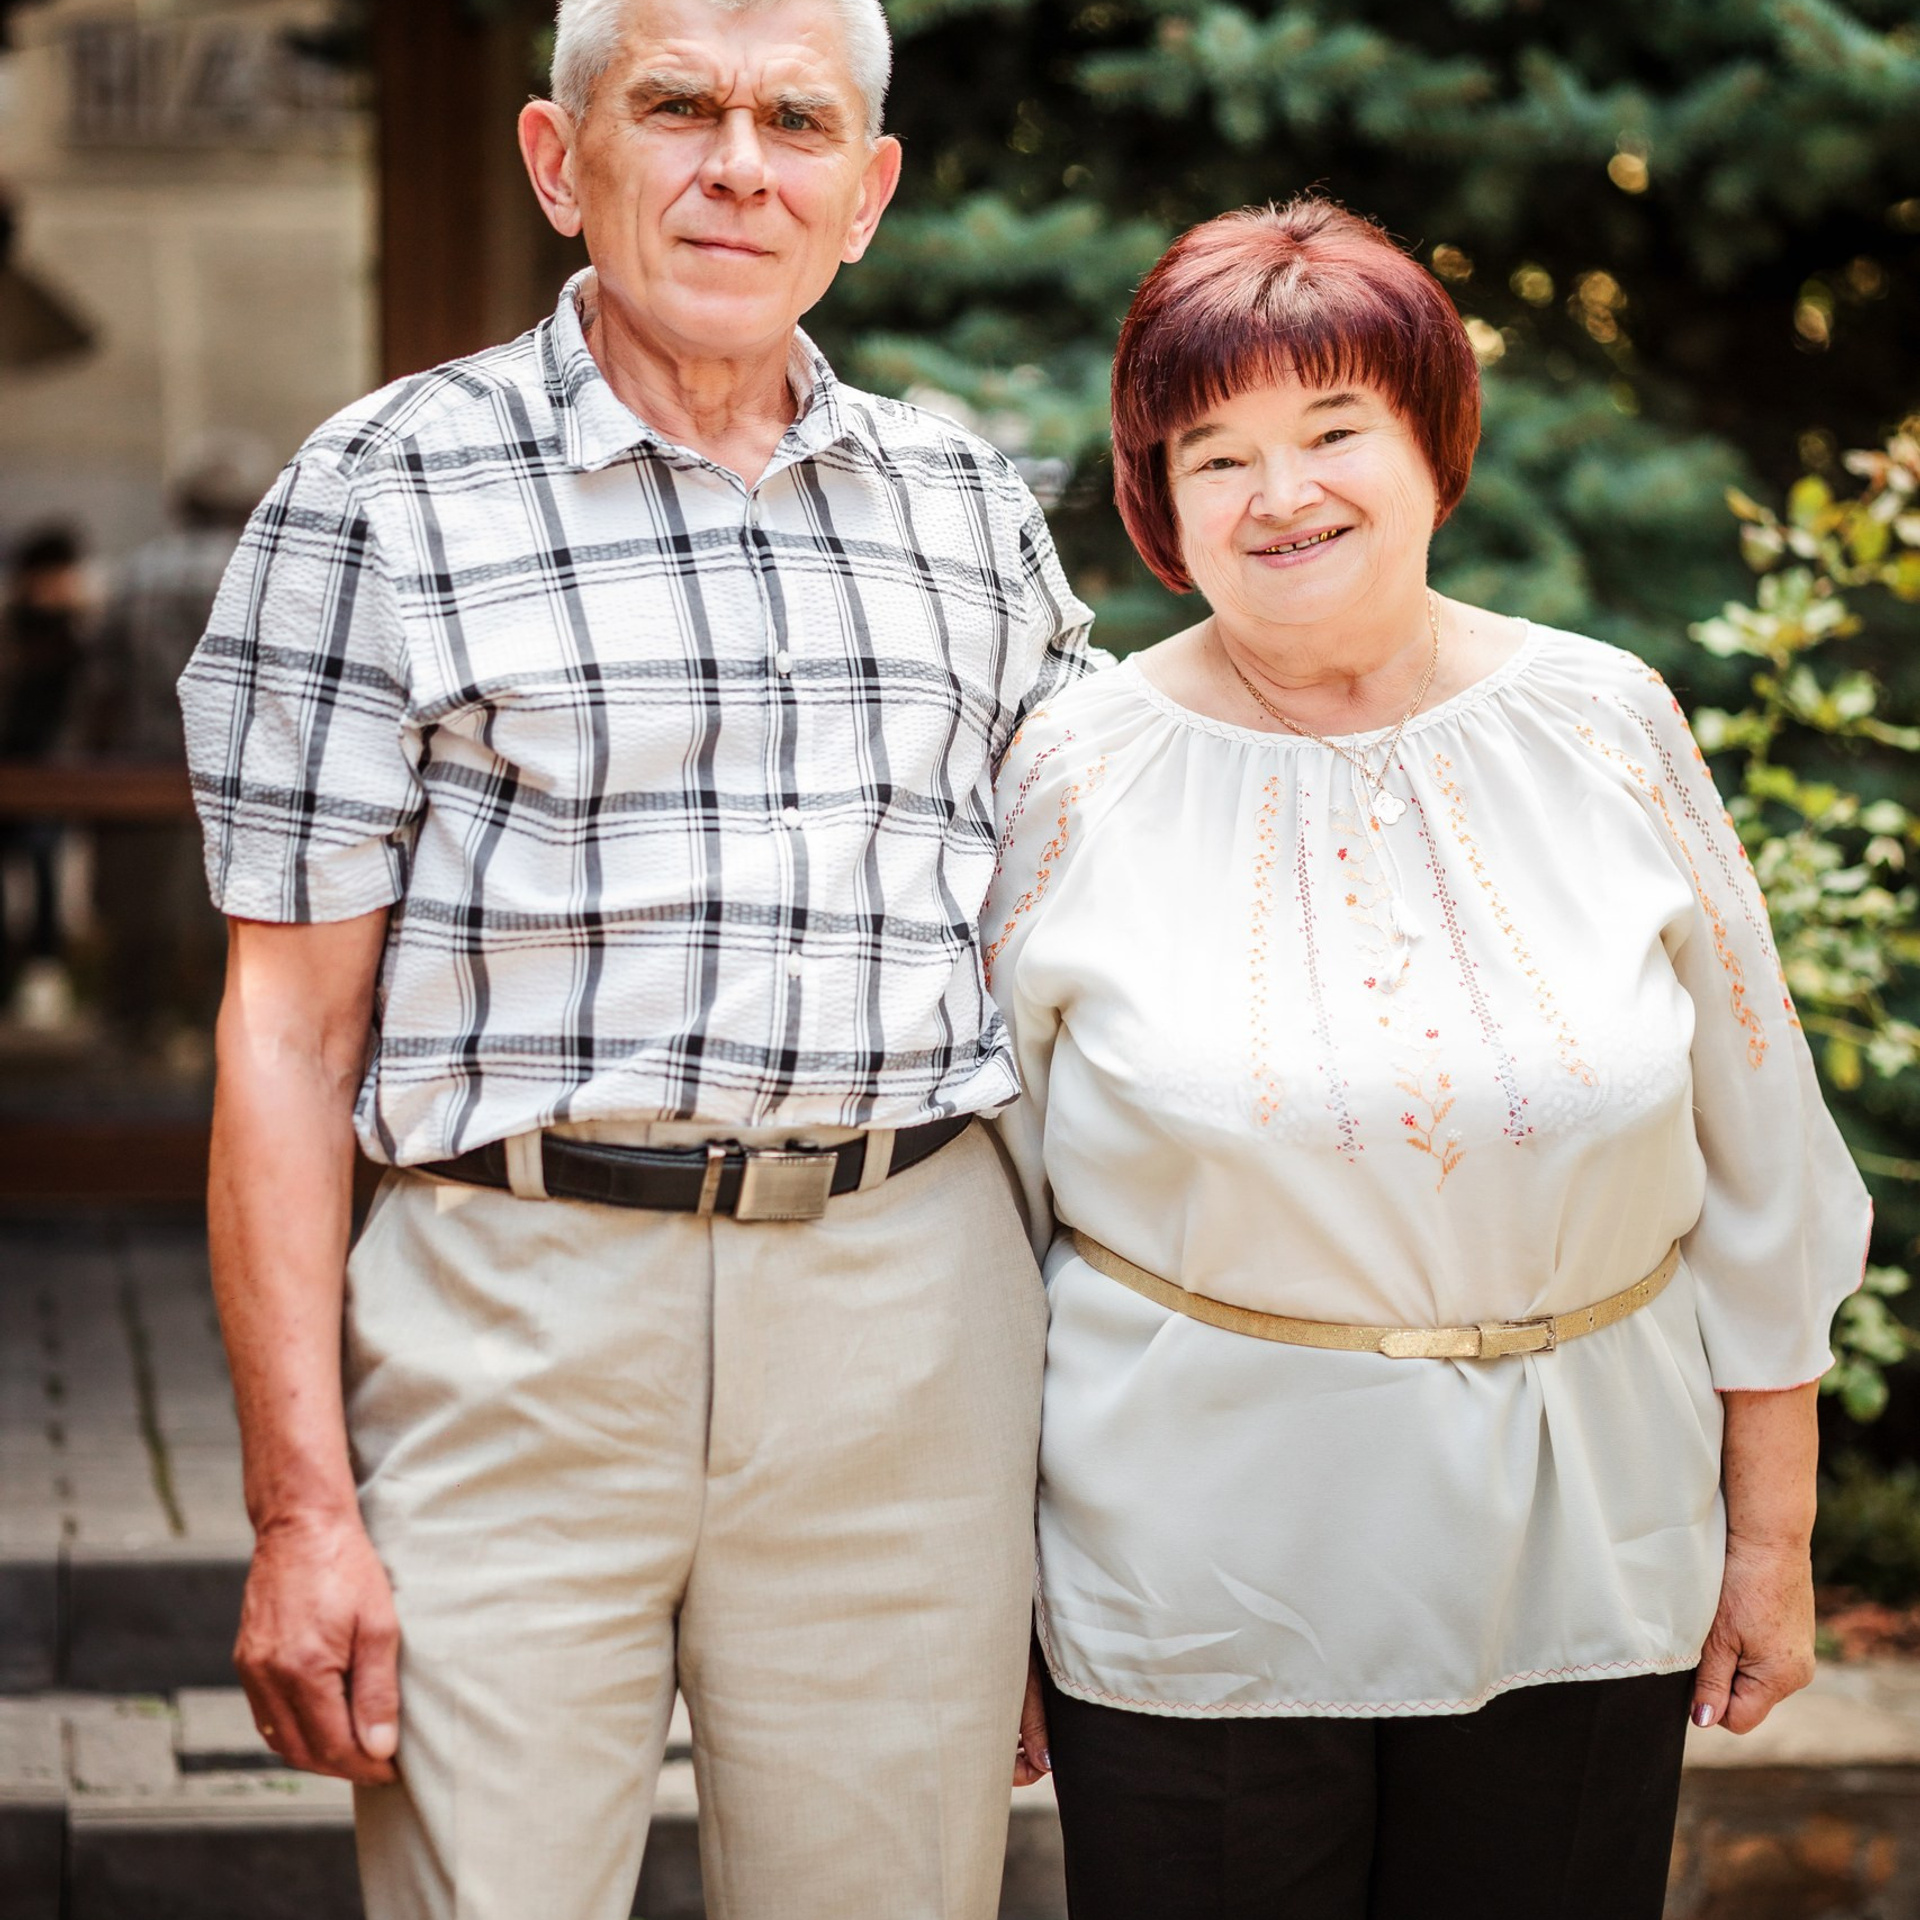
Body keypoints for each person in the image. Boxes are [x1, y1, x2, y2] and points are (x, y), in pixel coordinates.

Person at [176, 1, 1092, 1915]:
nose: (735, 164)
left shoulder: (968, 512)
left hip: (907, 1324)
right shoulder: (379, 493)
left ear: (869, 191)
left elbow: (1086, 958)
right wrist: (299, 1509)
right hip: (506, 1318)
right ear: (556, 156)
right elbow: (284, 1032)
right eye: (675, 106)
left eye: (796, 122)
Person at [987, 198, 1869, 1919]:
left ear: (1432, 441)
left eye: (1333, 429)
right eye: (1215, 452)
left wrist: (1768, 1545)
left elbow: (1766, 1174)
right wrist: (980, 1595)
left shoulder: (1609, 720)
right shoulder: (1076, 767)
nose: (1281, 492)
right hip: (1190, 1568)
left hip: (1585, 1550)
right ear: (1159, 499)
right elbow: (984, 1227)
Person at [0, 523, 88, 1027]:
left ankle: (42, 979)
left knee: (45, 873)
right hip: (17, 770)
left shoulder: (74, 635)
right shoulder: (15, 632)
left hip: (50, 774)